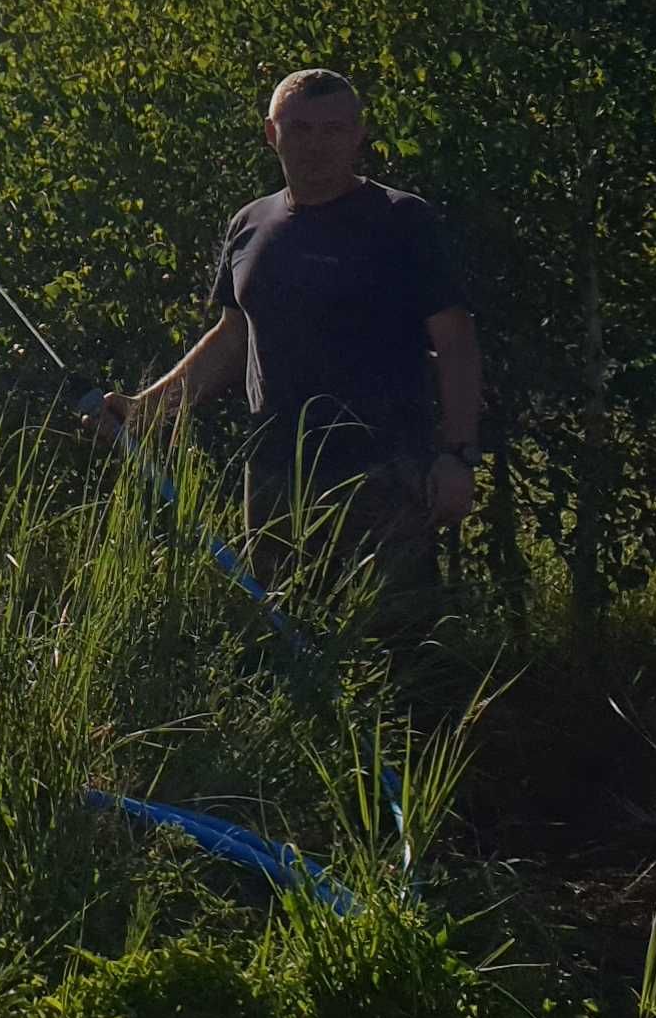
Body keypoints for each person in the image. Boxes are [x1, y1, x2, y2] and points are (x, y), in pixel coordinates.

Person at [105, 68, 483, 642]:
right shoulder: (250, 224)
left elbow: (455, 343)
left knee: (398, 651)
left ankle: (420, 735)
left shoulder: (401, 220)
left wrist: (458, 455)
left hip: (384, 477)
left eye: (333, 129)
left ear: (358, 134)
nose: (316, 144)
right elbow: (234, 337)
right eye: (299, 128)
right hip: (277, 478)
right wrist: (146, 410)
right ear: (271, 134)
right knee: (290, 644)